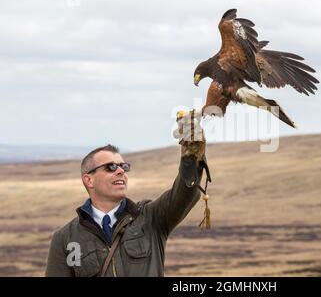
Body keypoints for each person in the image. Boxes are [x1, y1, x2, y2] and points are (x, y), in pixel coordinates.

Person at [45, 111, 209, 277]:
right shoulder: (66, 238)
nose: (120, 171)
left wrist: (190, 158)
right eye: (110, 167)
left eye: (124, 167)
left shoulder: (151, 217)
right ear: (89, 180)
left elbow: (185, 192)